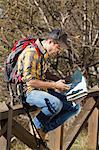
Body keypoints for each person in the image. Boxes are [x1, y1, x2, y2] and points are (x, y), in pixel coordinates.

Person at [17, 29, 80, 139]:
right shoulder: (31, 53)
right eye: (58, 47)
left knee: (74, 107)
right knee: (56, 104)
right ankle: (36, 126)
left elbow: (43, 73)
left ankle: (43, 130)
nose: (58, 51)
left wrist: (61, 79)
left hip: (41, 90)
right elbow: (30, 81)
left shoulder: (43, 54)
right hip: (27, 91)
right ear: (50, 41)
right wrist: (55, 85)